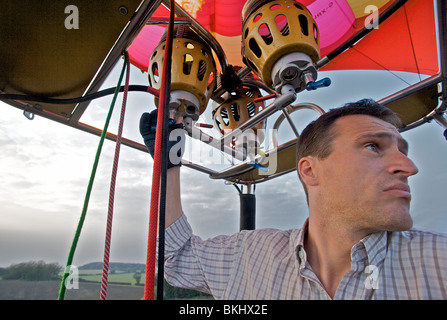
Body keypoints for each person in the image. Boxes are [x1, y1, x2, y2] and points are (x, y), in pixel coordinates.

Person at [139, 99, 447, 300]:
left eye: (402, 151)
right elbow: (175, 256)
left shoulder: (438, 263)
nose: (408, 167)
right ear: (311, 171)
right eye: (372, 147)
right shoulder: (249, 256)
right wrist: (168, 165)